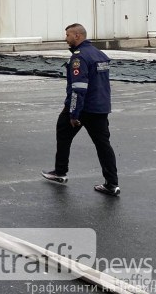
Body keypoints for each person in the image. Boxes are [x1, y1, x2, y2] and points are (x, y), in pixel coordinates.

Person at [41, 23, 120, 196]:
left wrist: (74, 113)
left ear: (77, 36)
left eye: (68, 35)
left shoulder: (79, 57)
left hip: (84, 107)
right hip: (101, 107)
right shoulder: (100, 54)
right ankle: (112, 184)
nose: (65, 38)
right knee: (103, 145)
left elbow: (78, 88)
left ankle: (60, 172)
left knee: (63, 131)